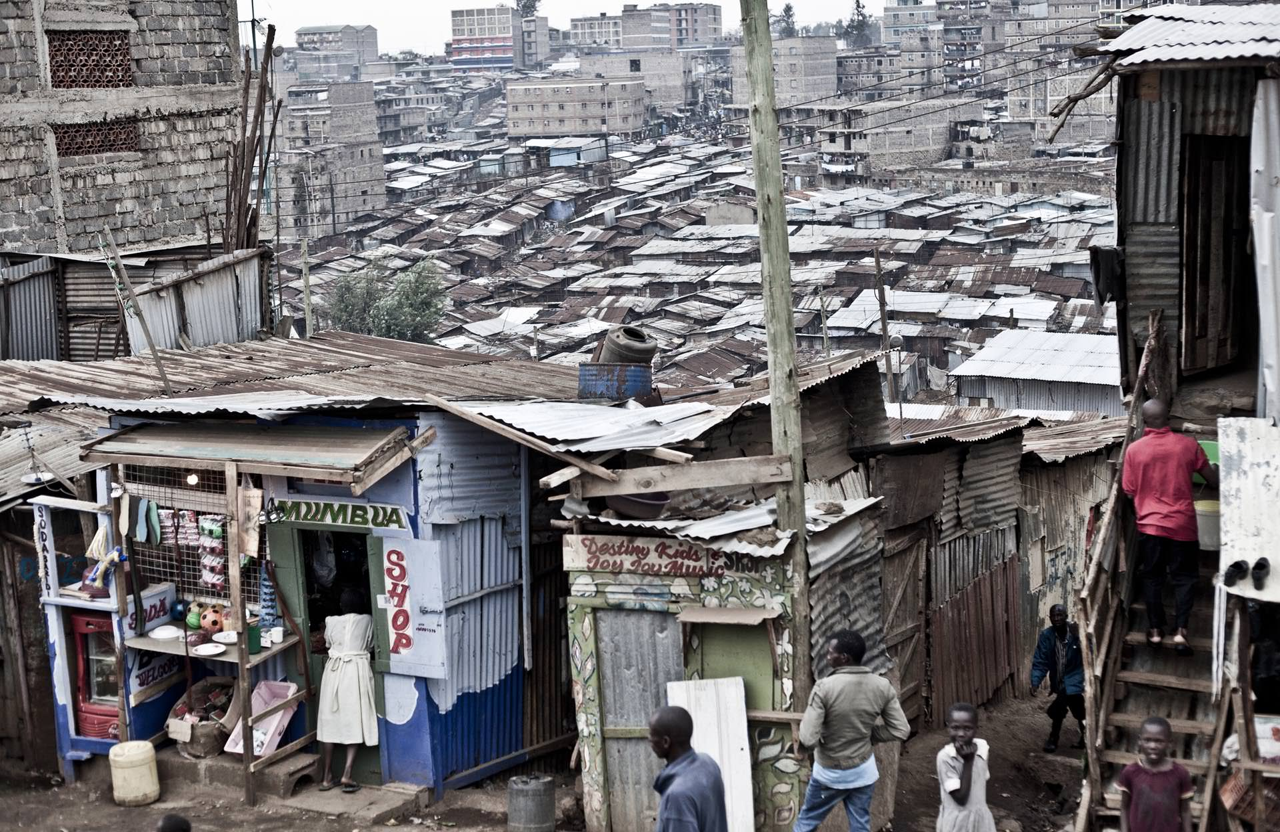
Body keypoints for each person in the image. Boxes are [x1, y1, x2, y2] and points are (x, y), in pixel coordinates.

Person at [1122, 399, 1217, 650]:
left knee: (1152, 577)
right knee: (1184, 578)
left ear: (1144, 421)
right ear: (1169, 418)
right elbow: (1213, 479)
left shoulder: (1134, 450)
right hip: (1182, 526)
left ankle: (1154, 630)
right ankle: (1181, 632)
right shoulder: (1188, 445)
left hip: (1150, 527)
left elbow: (1130, 492)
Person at [793, 629, 911, 832]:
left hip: (828, 775)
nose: (827, 656)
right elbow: (901, 730)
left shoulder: (824, 688)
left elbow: (808, 739)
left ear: (844, 658)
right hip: (863, 773)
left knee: (806, 824)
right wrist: (871, 735)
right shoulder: (882, 686)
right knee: (860, 825)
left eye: (831, 652)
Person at [317, 587, 377, 793]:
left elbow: (327, 643)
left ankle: (326, 777)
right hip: (355, 672)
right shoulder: (368, 620)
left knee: (329, 722)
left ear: (341, 605)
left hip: (333, 672)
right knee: (354, 720)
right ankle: (347, 774)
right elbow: (370, 645)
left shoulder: (331, 621)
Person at [647, 705, 728, 832]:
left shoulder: (677, 795)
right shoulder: (708, 764)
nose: (649, 739)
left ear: (665, 742)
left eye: (652, 735)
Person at [1116, 717, 1193, 832]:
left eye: (1159, 741)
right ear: (1139, 741)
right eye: (1147, 740)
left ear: (1169, 743)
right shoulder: (1130, 772)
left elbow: (1185, 810)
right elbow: (1124, 807)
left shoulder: (1180, 773)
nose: (1153, 746)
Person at [1029, 604, 1086, 753]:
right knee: (1078, 706)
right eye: (1054, 616)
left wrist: (1079, 637)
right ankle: (1085, 739)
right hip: (1060, 679)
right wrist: (1035, 682)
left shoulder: (1075, 631)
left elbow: (1090, 652)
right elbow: (1040, 660)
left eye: (1060, 615)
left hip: (1076, 677)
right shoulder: (1047, 636)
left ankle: (1053, 738)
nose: (1057, 618)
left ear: (1066, 616)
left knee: (1059, 706)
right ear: (1050, 618)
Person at [935, 703, 996, 832]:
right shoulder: (945, 757)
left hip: (981, 820)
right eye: (955, 728)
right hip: (957, 823)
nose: (961, 734)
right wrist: (968, 762)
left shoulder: (982, 749)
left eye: (967, 729)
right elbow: (961, 798)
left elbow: (981, 781)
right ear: (948, 728)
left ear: (976, 729)